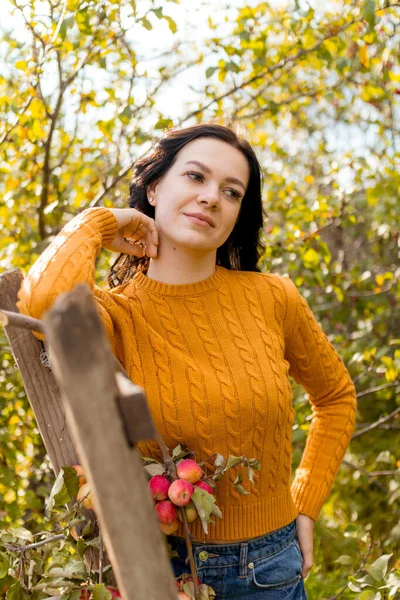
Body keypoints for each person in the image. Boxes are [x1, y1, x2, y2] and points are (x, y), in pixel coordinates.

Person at [17, 122, 357, 599]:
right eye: (196, 177)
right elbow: (41, 304)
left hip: (273, 572)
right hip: (165, 571)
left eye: (232, 191)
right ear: (155, 187)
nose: (212, 197)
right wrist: (102, 222)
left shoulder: (273, 298)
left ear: (239, 213)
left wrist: (306, 503)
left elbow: (336, 396)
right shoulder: (116, 313)